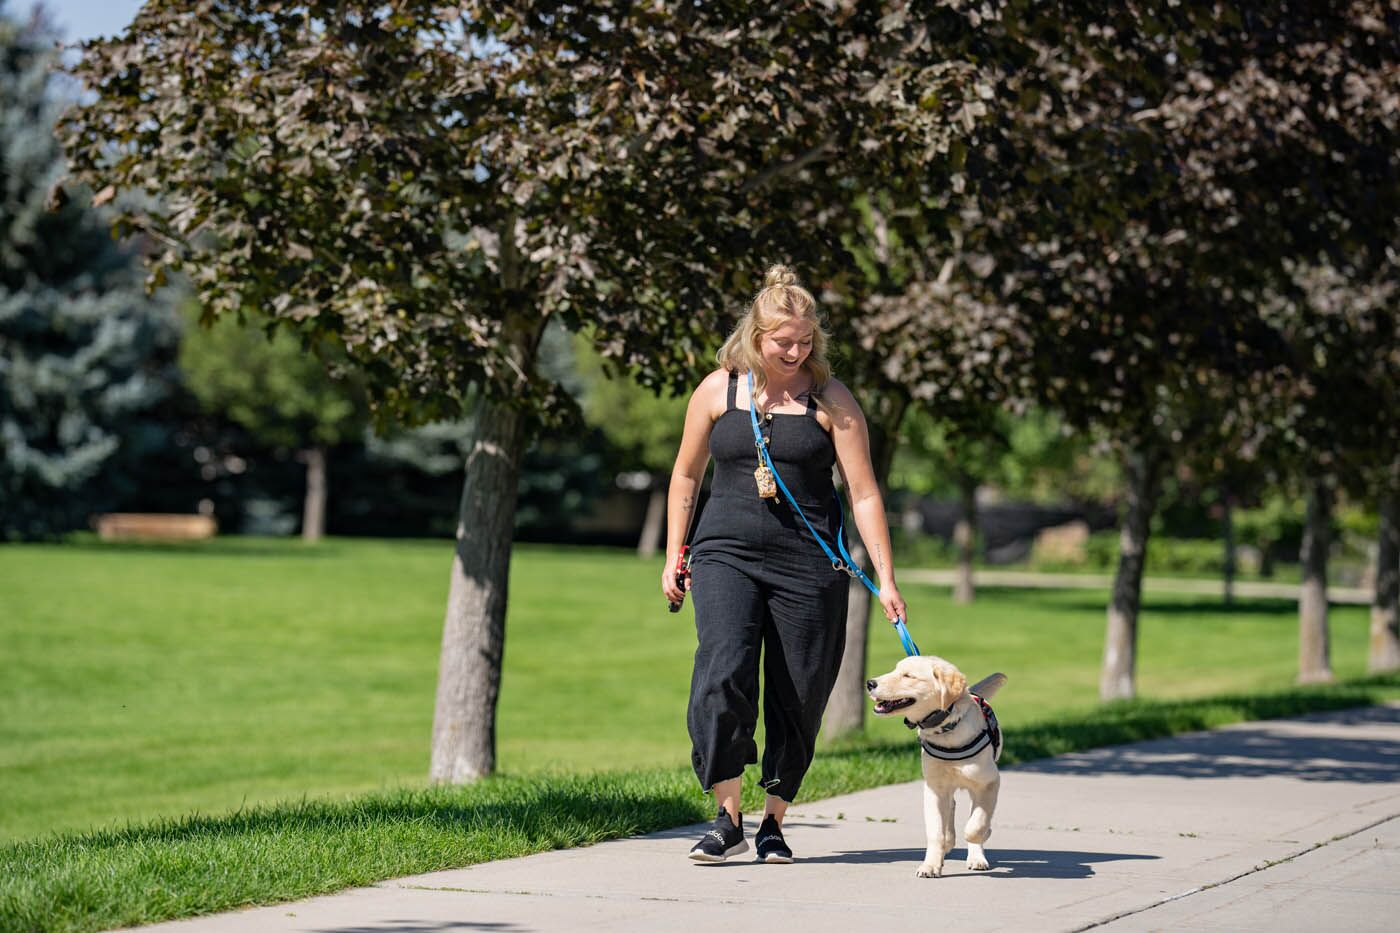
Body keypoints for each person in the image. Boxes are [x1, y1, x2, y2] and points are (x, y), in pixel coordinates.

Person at [662, 264, 908, 864]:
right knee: (722, 672)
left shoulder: (832, 399)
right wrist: (676, 552)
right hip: (725, 554)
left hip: (810, 564)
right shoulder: (717, 390)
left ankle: (774, 819)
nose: (795, 352)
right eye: (782, 343)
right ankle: (726, 815)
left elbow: (865, 492)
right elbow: (686, 474)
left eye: (805, 342)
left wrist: (886, 578)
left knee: (800, 693)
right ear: (755, 336)